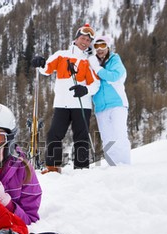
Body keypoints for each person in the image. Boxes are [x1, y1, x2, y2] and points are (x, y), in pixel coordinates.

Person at [32, 23, 100, 172]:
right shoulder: (61, 55)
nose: (85, 42)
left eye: (88, 41)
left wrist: (85, 89)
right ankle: (52, 167)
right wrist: (41, 62)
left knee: (81, 136)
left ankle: (82, 168)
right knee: (54, 134)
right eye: (82, 38)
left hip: (82, 105)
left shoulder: (89, 61)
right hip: (62, 103)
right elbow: (47, 69)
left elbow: (95, 84)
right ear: (76, 38)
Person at [88, 35, 131, 165]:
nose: (100, 49)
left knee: (119, 135)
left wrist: (98, 69)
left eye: (103, 46)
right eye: (97, 46)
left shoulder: (114, 59)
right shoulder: (93, 62)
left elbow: (114, 76)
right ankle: (113, 166)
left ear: (107, 47)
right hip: (101, 107)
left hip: (117, 104)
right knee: (107, 138)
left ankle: (124, 164)